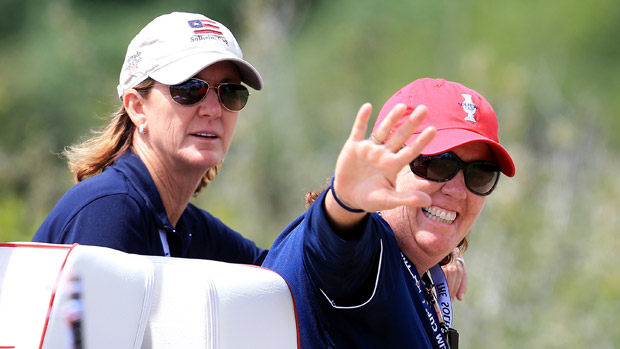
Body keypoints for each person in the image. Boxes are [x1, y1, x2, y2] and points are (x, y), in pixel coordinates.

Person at [262, 78, 515, 348]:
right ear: (387, 164)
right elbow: (333, 243)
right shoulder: (365, 257)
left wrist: (442, 260)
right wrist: (345, 201)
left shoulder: (409, 268)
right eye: (438, 163)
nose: (457, 190)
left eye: (480, 174)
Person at [32, 12, 266, 264]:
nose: (213, 109)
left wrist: (316, 219)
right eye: (189, 89)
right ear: (137, 108)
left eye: (230, 92)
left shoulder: (184, 226)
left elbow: (282, 280)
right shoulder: (109, 211)